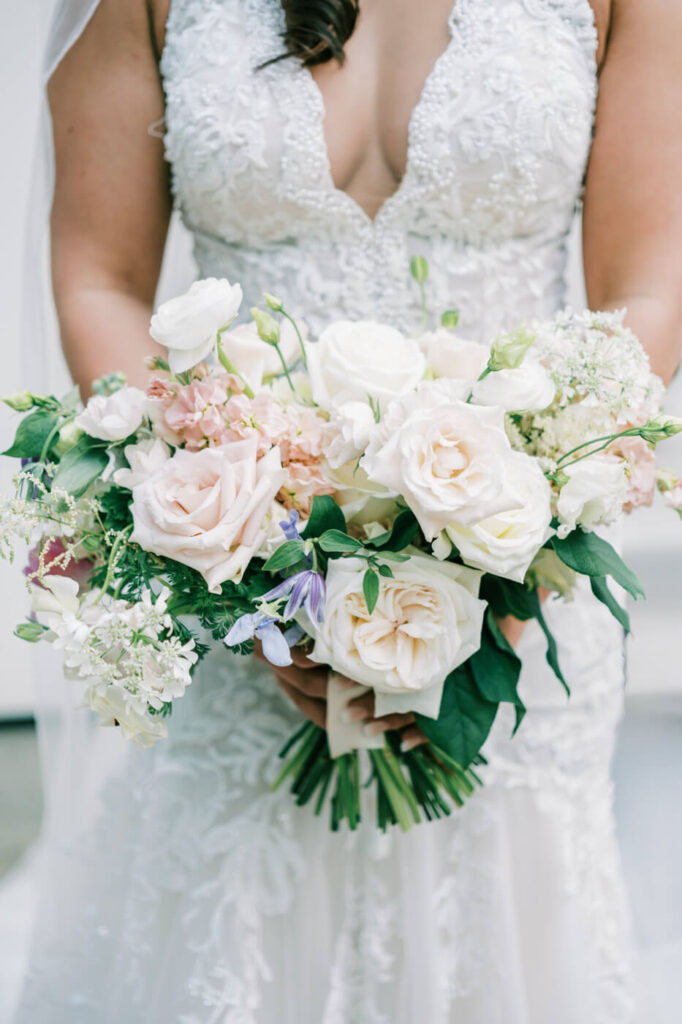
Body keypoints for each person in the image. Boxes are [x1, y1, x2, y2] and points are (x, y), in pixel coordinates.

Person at [13, 0, 682, 1021]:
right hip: (239, 607)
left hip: (514, 586)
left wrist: (505, 541)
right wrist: (245, 569)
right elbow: (100, 275)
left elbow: (644, 282)